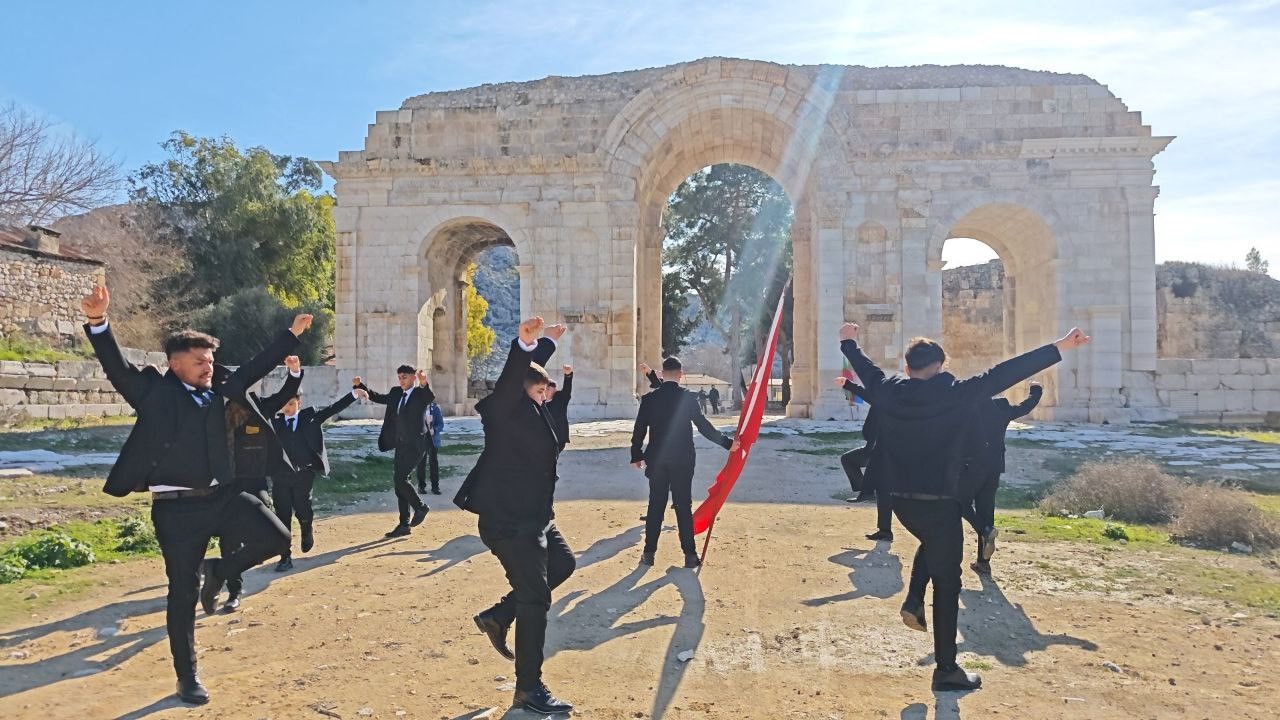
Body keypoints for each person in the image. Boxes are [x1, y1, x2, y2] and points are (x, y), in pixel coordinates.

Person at [81, 285, 307, 705]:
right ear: (174, 364)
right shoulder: (152, 393)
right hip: (177, 511)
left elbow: (256, 367)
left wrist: (290, 336)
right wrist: (98, 323)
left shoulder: (218, 390)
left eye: (212, 360)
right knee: (182, 593)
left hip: (223, 497)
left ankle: (220, 571)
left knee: (277, 539)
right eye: (200, 361)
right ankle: (187, 676)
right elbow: (115, 365)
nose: (210, 366)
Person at [839, 321, 1090, 691]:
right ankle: (946, 671)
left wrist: (849, 342)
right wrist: (1059, 347)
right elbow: (1006, 372)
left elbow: (867, 371)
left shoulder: (890, 390)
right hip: (941, 501)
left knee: (933, 547)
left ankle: (914, 599)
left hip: (901, 502)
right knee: (948, 581)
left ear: (907, 369)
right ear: (940, 365)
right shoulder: (959, 393)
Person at [459, 318, 575, 715]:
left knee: (563, 563)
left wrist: (544, 347)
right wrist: (526, 345)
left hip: (537, 517)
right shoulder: (501, 409)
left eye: (547, 390)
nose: (546, 397)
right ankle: (528, 688)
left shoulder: (534, 404)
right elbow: (515, 379)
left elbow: (529, 379)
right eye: (539, 390)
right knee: (536, 596)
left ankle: (499, 616)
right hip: (508, 520)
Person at [630, 356, 741, 569]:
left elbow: (639, 429)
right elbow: (704, 427)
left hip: (657, 459)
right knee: (683, 506)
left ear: (662, 374)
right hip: (682, 459)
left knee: (656, 505)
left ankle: (649, 553)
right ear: (681, 375)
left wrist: (637, 454)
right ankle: (690, 555)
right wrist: (728, 444)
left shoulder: (650, 399)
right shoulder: (687, 398)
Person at [214, 354, 303, 610]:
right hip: (224, 485)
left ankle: (282, 555)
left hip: (254, 481)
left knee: (270, 529)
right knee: (228, 538)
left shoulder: (258, 406)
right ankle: (234, 589)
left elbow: (285, 393)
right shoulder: (208, 410)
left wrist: (294, 373)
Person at [270, 375, 368, 570]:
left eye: (291, 404)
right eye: (284, 405)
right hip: (280, 475)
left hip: (304, 473)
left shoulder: (310, 416)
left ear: (299, 402)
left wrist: (353, 394)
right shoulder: (275, 421)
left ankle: (306, 528)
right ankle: (285, 556)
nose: (287, 408)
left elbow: (333, 409)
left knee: (302, 508)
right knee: (282, 515)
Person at [961, 381, 1043, 574]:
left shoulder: (968, 410)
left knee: (958, 502)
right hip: (994, 466)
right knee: (986, 510)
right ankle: (983, 562)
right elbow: (1025, 407)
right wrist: (1036, 391)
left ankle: (984, 530)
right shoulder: (1001, 409)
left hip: (972, 467)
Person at [358, 367, 434, 537]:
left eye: (405, 377)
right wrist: (360, 386)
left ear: (413, 378)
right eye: (399, 377)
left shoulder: (420, 393)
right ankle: (404, 525)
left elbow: (429, 397)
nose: (401, 380)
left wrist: (424, 383)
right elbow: (378, 397)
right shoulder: (395, 392)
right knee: (399, 483)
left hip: (417, 445)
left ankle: (420, 507)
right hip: (400, 444)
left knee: (401, 479)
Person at [834, 378, 894, 541]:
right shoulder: (888, 400)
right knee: (883, 490)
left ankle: (867, 493)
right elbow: (868, 395)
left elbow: (867, 395)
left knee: (883, 490)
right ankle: (884, 530)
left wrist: (848, 384)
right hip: (880, 449)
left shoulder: (886, 401)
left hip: (881, 450)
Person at [416, 395, 446, 495]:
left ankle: (435, 487)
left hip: (433, 440)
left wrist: (435, 430)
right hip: (421, 440)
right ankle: (421, 487)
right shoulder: (417, 409)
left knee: (434, 463)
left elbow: (441, 424)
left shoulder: (435, 408)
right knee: (421, 464)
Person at [544, 365, 573, 453]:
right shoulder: (539, 401)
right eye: (546, 388)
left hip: (559, 437)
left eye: (551, 388)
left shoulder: (560, 400)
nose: (548, 390)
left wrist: (568, 375)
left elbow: (567, 389)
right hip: (544, 437)